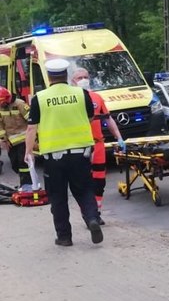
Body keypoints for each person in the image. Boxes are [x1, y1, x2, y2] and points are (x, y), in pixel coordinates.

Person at [24, 59, 103, 247]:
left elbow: (31, 128)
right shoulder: (81, 93)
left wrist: (28, 152)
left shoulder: (40, 98)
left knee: (58, 197)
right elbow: (90, 117)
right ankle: (92, 218)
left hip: (54, 157)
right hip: (80, 153)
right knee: (84, 190)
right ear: (66, 75)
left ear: (49, 76)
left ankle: (64, 237)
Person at [70, 67, 125, 225]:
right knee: (84, 182)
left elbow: (108, 119)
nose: (83, 80)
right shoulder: (72, 99)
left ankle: (97, 213)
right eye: (79, 77)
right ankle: (88, 215)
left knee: (99, 182)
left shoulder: (97, 98)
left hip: (98, 144)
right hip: (80, 146)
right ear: (73, 81)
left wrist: (119, 137)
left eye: (85, 77)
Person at [0, 87, 32, 188]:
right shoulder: (1, 107)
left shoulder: (19, 104)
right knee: (14, 164)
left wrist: (33, 137)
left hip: (24, 139)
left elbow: (32, 121)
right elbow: (0, 125)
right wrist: (3, 139)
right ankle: (25, 183)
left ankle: (27, 185)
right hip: (11, 142)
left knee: (23, 163)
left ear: (7, 98)